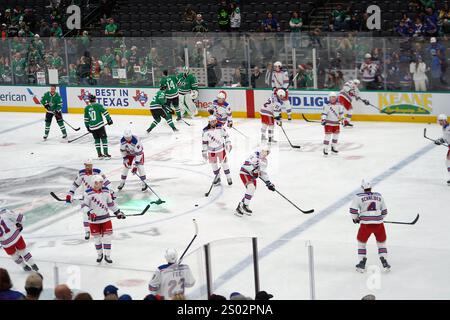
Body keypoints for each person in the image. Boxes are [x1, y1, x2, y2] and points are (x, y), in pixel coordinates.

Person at [82, 175, 126, 263]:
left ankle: (107, 256)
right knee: (97, 239)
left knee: (107, 238)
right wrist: (90, 212)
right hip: (94, 221)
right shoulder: (87, 193)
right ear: (95, 183)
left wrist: (118, 212)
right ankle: (99, 254)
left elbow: (110, 204)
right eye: (100, 182)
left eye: (102, 182)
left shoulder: (106, 191)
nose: (102, 184)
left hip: (106, 219)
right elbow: (84, 206)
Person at [350, 180, 390, 273]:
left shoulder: (358, 196)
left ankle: (361, 263)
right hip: (379, 224)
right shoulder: (379, 196)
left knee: (361, 243)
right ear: (371, 187)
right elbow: (384, 212)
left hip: (365, 225)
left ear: (362, 188)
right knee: (381, 243)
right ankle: (384, 261)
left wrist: (355, 218)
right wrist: (378, 218)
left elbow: (353, 210)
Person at [66, 159, 112, 240]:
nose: (88, 167)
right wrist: (70, 193)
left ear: (92, 165)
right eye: (86, 165)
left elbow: (106, 182)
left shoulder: (98, 172)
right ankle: (87, 231)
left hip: (98, 197)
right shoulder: (81, 173)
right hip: (86, 197)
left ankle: (100, 230)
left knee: (100, 212)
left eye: (89, 165)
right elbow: (75, 184)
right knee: (86, 214)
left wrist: (111, 191)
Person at [236, 145, 275, 217]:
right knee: (251, 188)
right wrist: (253, 170)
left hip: (252, 176)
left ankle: (240, 206)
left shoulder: (265, 161)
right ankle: (245, 205)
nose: (265, 154)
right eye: (264, 151)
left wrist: (268, 183)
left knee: (251, 192)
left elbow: (262, 173)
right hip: (245, 173)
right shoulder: (254, 155)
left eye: (267, 152)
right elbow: (246, 164)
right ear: (261, 150)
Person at [202, 115, 233, 186]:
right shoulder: (205, 131)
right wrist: (204, 152)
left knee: (224, 164)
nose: (214, 123)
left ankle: (229, 177)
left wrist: (228, 143)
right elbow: (204, 142)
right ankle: (217, 178)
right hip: (211, 151)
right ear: (209, 122)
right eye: (212, 122)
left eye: (215, 121)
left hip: (221, 150)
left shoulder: (220, 128)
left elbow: (226, 136)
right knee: (214, 165)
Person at [84, 94, 113, 159]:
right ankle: (105, 154)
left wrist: (87, 127)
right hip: (99, 126)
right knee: (104, 139)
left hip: (92, 127)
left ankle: (99, 155)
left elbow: (86, 119)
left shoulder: (86, 108)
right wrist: (109, 120)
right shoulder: (98, 105)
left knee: (96, 140)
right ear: (95, 99)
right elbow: (105, 112)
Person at [434, 114, 450, 185]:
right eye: (439, 121)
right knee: (448, 161)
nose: (440, 122)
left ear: (445, 120)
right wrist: (440, 140)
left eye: (441, 120)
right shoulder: (444, 127)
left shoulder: (449, 127)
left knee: (448, 161)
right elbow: (446, 137)